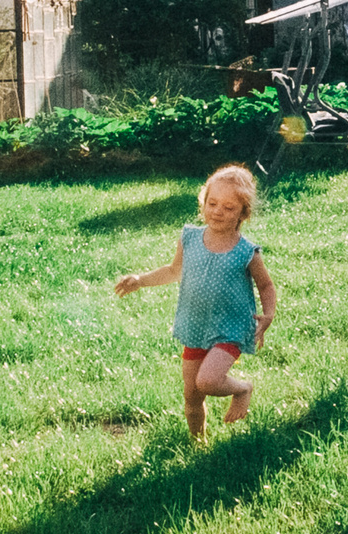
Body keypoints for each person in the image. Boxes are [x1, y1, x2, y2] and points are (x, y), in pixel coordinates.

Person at [114, 165, 278, 437]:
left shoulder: (246, 251)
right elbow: (173, 271)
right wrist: (140, 280)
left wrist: (268, 315)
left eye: (228, 207)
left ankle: (242, 389)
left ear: (243, 213)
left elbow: (266, 285)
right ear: (203, 202)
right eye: (212, 203)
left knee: (208, 381)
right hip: (195, 326)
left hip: (230, 328)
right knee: (191, 395)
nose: (217, 211)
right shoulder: (189, 238)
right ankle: (197, 442)